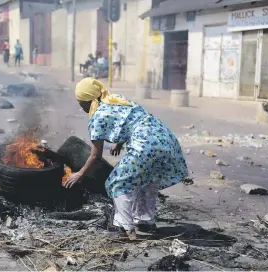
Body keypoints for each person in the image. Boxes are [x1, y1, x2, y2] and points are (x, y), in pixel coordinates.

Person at [65, 78, 189, 240]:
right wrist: (119, 142)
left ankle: (123, 229)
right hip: (165, 140)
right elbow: (130, 120)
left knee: (117, 182)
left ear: (88, 100)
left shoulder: (97, 118)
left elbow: (96, 155)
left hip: (145, 146)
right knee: (147, 180)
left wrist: (80, 173)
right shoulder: (117, 100)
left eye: (80, 101)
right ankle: (145, 221)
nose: (80, 106)